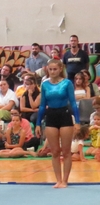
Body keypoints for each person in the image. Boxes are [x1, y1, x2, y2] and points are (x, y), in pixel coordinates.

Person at [36, 58, 80, 188]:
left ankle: (65, 180)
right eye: (50, 69)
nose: (53, 71)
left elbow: (73, 103)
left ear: (60, 69)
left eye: (55, 69)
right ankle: (58, 180)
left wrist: (77, 121)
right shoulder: (45, 84)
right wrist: (38, 123)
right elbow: (42, 105)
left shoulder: (67, 83)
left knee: (66, 151)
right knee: (54, 151)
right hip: (51, 116)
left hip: (64, 115)